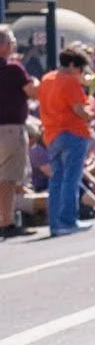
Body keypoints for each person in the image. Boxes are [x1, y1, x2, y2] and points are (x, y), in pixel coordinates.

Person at [34, 46, 95, 237]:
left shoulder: (47, 79)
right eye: (79, 68)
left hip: (51, 134)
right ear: (71, 65)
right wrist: (92, 112)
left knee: (56, 180)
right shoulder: (69, 81)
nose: (79, 73)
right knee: (71, 178)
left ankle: (55, 223)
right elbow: (80, 110)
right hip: (72, 133)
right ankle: (69, 220)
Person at [0, 28, 30, 238]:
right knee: (8, 178)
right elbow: (31, 91)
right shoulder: (14, 69)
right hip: (11, 128)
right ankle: (7, 221)